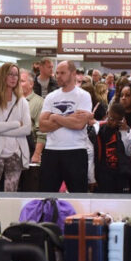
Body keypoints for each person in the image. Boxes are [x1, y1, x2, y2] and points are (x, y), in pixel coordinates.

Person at [38, 60, 93, 193]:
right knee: (47, 195)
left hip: (75, 150)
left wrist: (56, 117)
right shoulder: (51, 97)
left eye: (62, 73)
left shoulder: (83, 96)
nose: (58, 76)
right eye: (57, 73)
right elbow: (42, 126)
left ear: (73, 74)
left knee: (78, 194)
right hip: (52, 150)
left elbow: (79, 124)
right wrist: (70, 118)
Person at [0, 63, 31, 192]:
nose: (14, 78)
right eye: (10, 74)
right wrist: (15, 124)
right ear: (3, 76)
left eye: (16, 75)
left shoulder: (22, 102)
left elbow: (27, 129)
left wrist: (0, 128)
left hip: (15, 153)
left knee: (11, 194)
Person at [94, 102, 131, 193]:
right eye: (111, 118)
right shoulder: (100, 128)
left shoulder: (126, 130)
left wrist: (125, 133)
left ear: (122, 119)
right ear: (107, 114)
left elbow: (130, 152)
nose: (113, 122)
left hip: (121, 174)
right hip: (103, 173)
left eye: (117, 120)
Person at [19, 70, 45, 163]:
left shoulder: (39, 103)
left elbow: (42, 132)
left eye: (22, 81)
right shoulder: (11, 101)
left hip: (29, 150)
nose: (18, 84)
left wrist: (37, 154)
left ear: (31, 84)